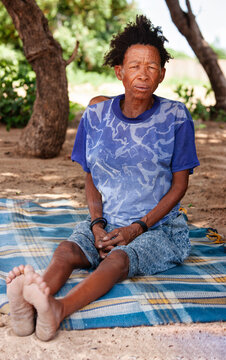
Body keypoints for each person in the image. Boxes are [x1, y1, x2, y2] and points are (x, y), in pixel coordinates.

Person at [6, 15, 200, 341]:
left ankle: (58, 309)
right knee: (67, 252)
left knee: (117, 262)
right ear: (119, 72)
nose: (143, 73)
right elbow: (91, 178)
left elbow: (180, 187)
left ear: (162, 74)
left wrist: (137, 227)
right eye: (135, 65)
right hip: (107, 221)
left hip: (159, 228)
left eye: (152, 67)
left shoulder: (176, 117)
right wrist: (97, 224)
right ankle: (30, 305)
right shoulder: (95, 116)